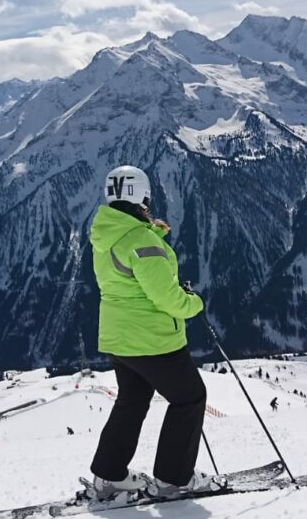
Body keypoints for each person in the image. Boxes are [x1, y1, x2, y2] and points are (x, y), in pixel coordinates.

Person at [87, 165, 225, 500]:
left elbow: (128, 277)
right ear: (142, 196)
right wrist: (194, 303)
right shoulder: (142, 241)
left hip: (119, 339)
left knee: (132, 401)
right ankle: (173, 480)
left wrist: (152, 235)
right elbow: (167, 298)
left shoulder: (105, 235)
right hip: (152, 339)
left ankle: (109, 477)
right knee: (189, 397)